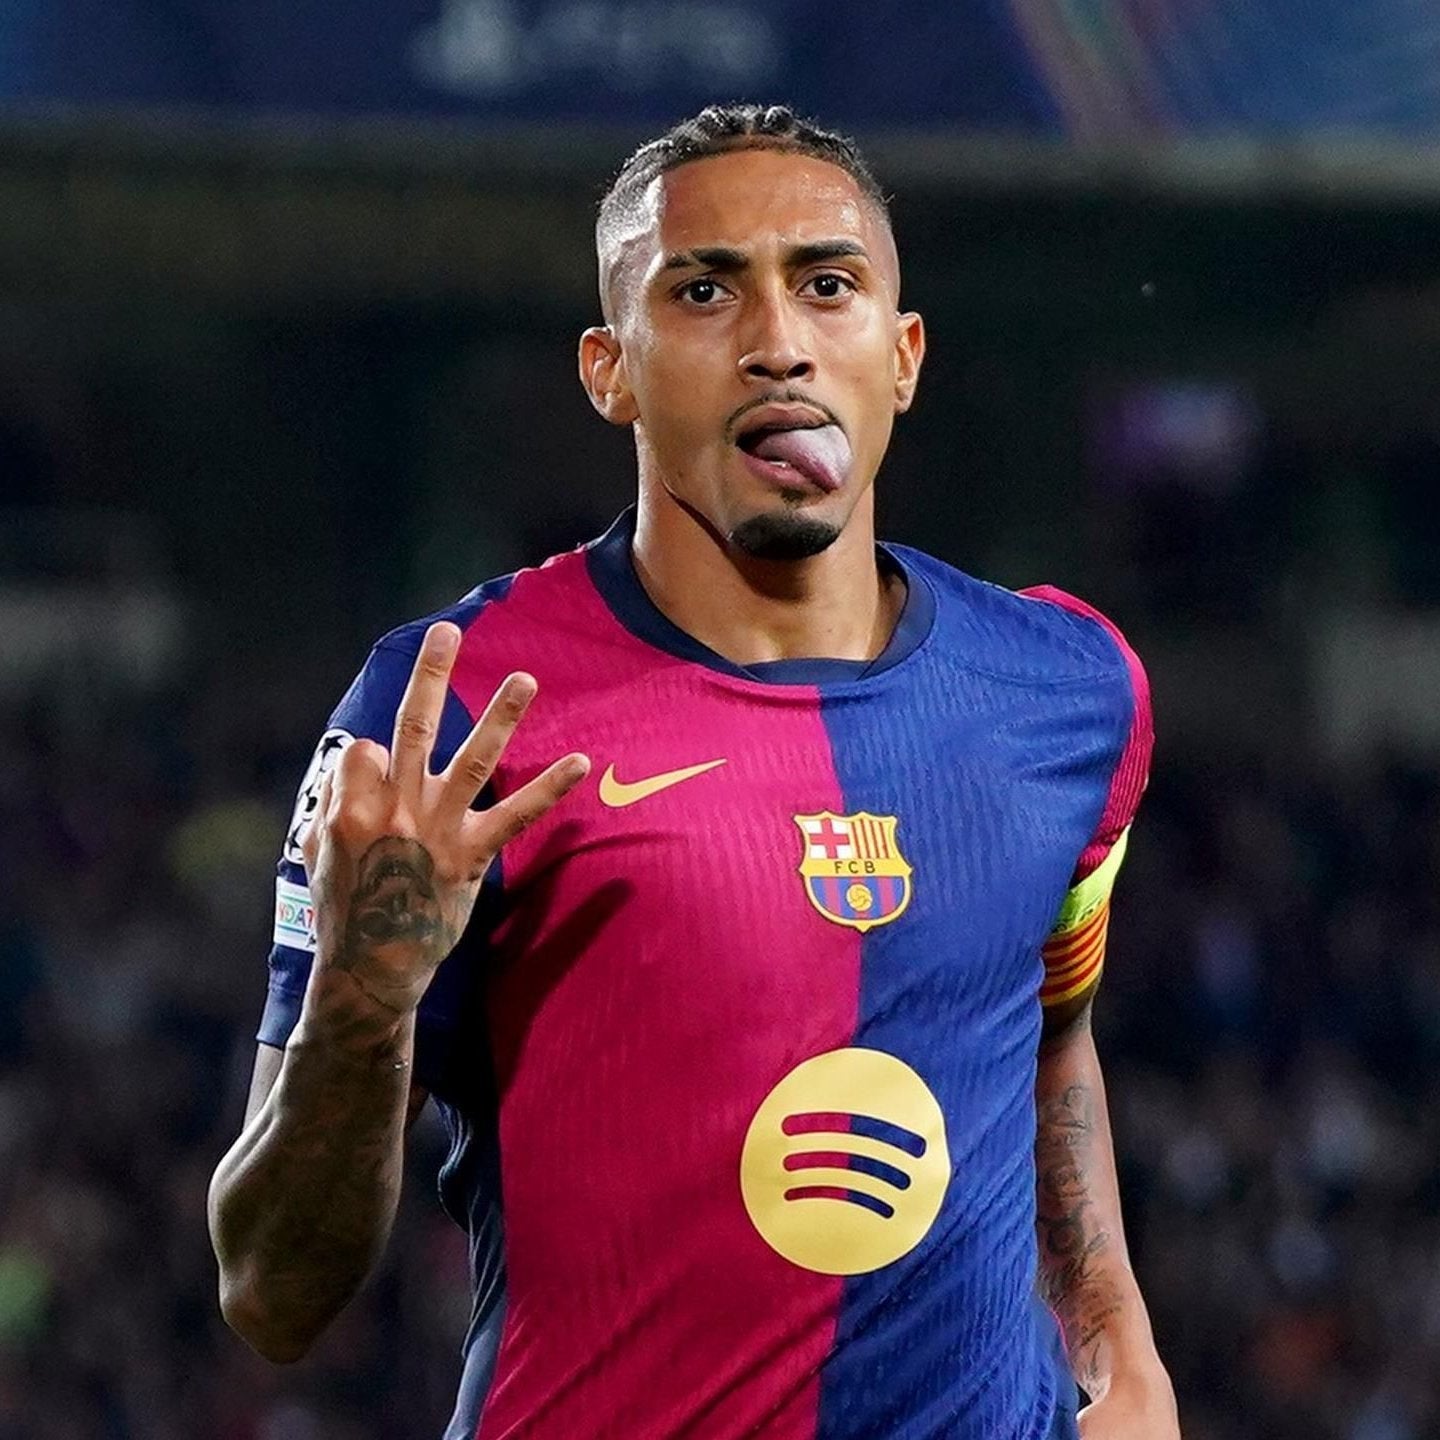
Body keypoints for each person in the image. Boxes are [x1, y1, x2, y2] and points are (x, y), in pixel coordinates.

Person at [208, 103, 1179, 1440]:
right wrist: (365, 1000)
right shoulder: (454, 712)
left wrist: (1118, 1344)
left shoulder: (1070, 692)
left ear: (902, 357)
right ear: (611, 370)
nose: (779, 341)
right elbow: (270, 1293)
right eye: (706, 291)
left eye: (827, 285)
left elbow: (1051, 1035)